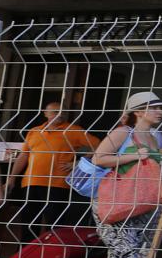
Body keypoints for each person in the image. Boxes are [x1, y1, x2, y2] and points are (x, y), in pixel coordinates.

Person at [89, 92, 162, 258]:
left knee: (129, 252)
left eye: (160, 107)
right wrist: (132, 158)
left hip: (140, 201)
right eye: (154, 107)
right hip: (113, 199)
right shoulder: (123, 133)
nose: (160, 111)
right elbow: (98, 158)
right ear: (139, 111)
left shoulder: (154, 137)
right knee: (122, 249)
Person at [8, 97, 99, 237]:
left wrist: (78, 163)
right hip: (31, 182)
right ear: (45, 113)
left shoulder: (73, 130)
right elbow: (23, 156)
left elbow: (100, 146)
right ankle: (27, 249)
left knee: (54, 224)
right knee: (28, 223)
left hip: (57, 184)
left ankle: (50, 249)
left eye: (63, 112)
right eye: (55, 111)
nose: (60, 114)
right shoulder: (34, 131)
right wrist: (11, 179)